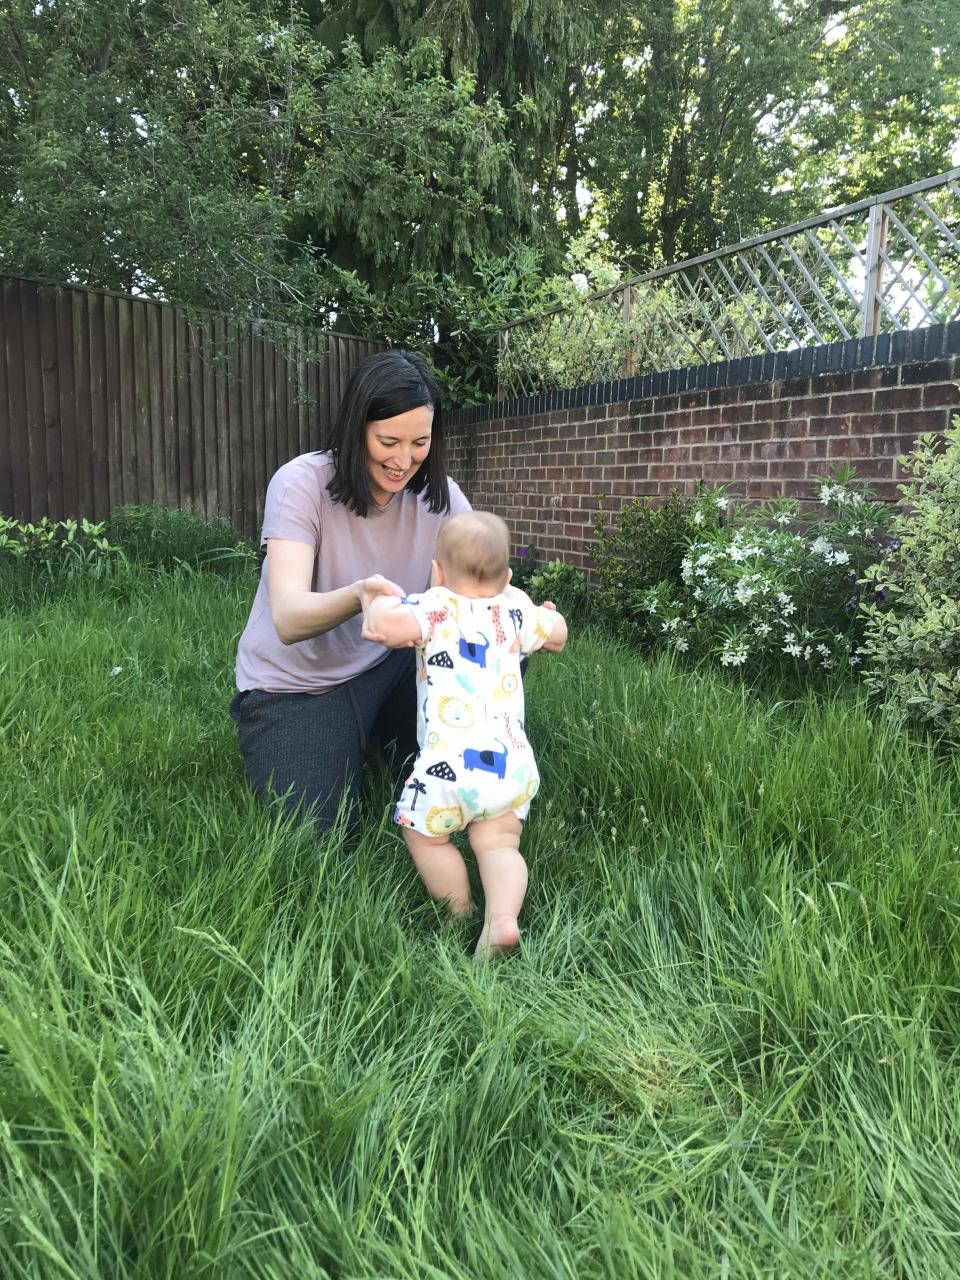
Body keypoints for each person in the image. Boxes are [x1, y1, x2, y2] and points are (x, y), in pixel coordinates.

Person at [230, 349, 472, 830]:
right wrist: (357, 597)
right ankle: (355, 740)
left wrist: (523, 618)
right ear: (356, 427)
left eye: (419, 442)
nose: (404, 460)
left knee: (492, 640)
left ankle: (386, 739)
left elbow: (482, 583)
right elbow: (288, 616)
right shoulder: (301, 484)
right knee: (316, 832)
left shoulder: (437, 493)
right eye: (388, 441)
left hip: (391, 666)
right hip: (299, 687)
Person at [362, 511, 568, 958]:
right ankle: (503, 919)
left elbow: (385, 627)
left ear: (437, 572)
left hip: (449, 771)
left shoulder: (434, 606)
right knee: (498, 844)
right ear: (509, 576)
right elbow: (559, 634)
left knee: (423, 835)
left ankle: (459, 910)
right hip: (510, 768)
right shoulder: (516, 611)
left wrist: (377, 600)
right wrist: (539, 612)